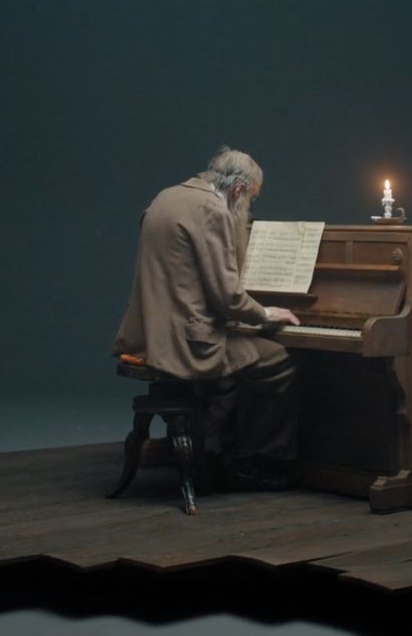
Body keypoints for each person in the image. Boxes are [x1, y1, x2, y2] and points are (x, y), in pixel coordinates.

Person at [112, 147, 301, 490]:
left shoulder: (166, 196)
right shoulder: (213, 209)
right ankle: (262, 462)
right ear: (239, 190)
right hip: (188, 343)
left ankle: (215, 452)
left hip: (153, 333)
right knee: (278, 360)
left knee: (230, 375)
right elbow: (227, 295)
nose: (247, 209)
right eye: (250, 200)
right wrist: (265, 313)